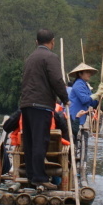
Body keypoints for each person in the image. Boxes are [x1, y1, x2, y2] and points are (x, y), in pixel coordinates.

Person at [19, 29, 69, 190]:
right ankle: (40, 177)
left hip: (26, 104)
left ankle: (31, 175)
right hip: (41, 105)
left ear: (36, 42)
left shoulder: (30, 58)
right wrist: (65, 98)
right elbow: (57, 79)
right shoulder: (50, 57)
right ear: (52, 42)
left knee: (30, 141)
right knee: (40, 141)